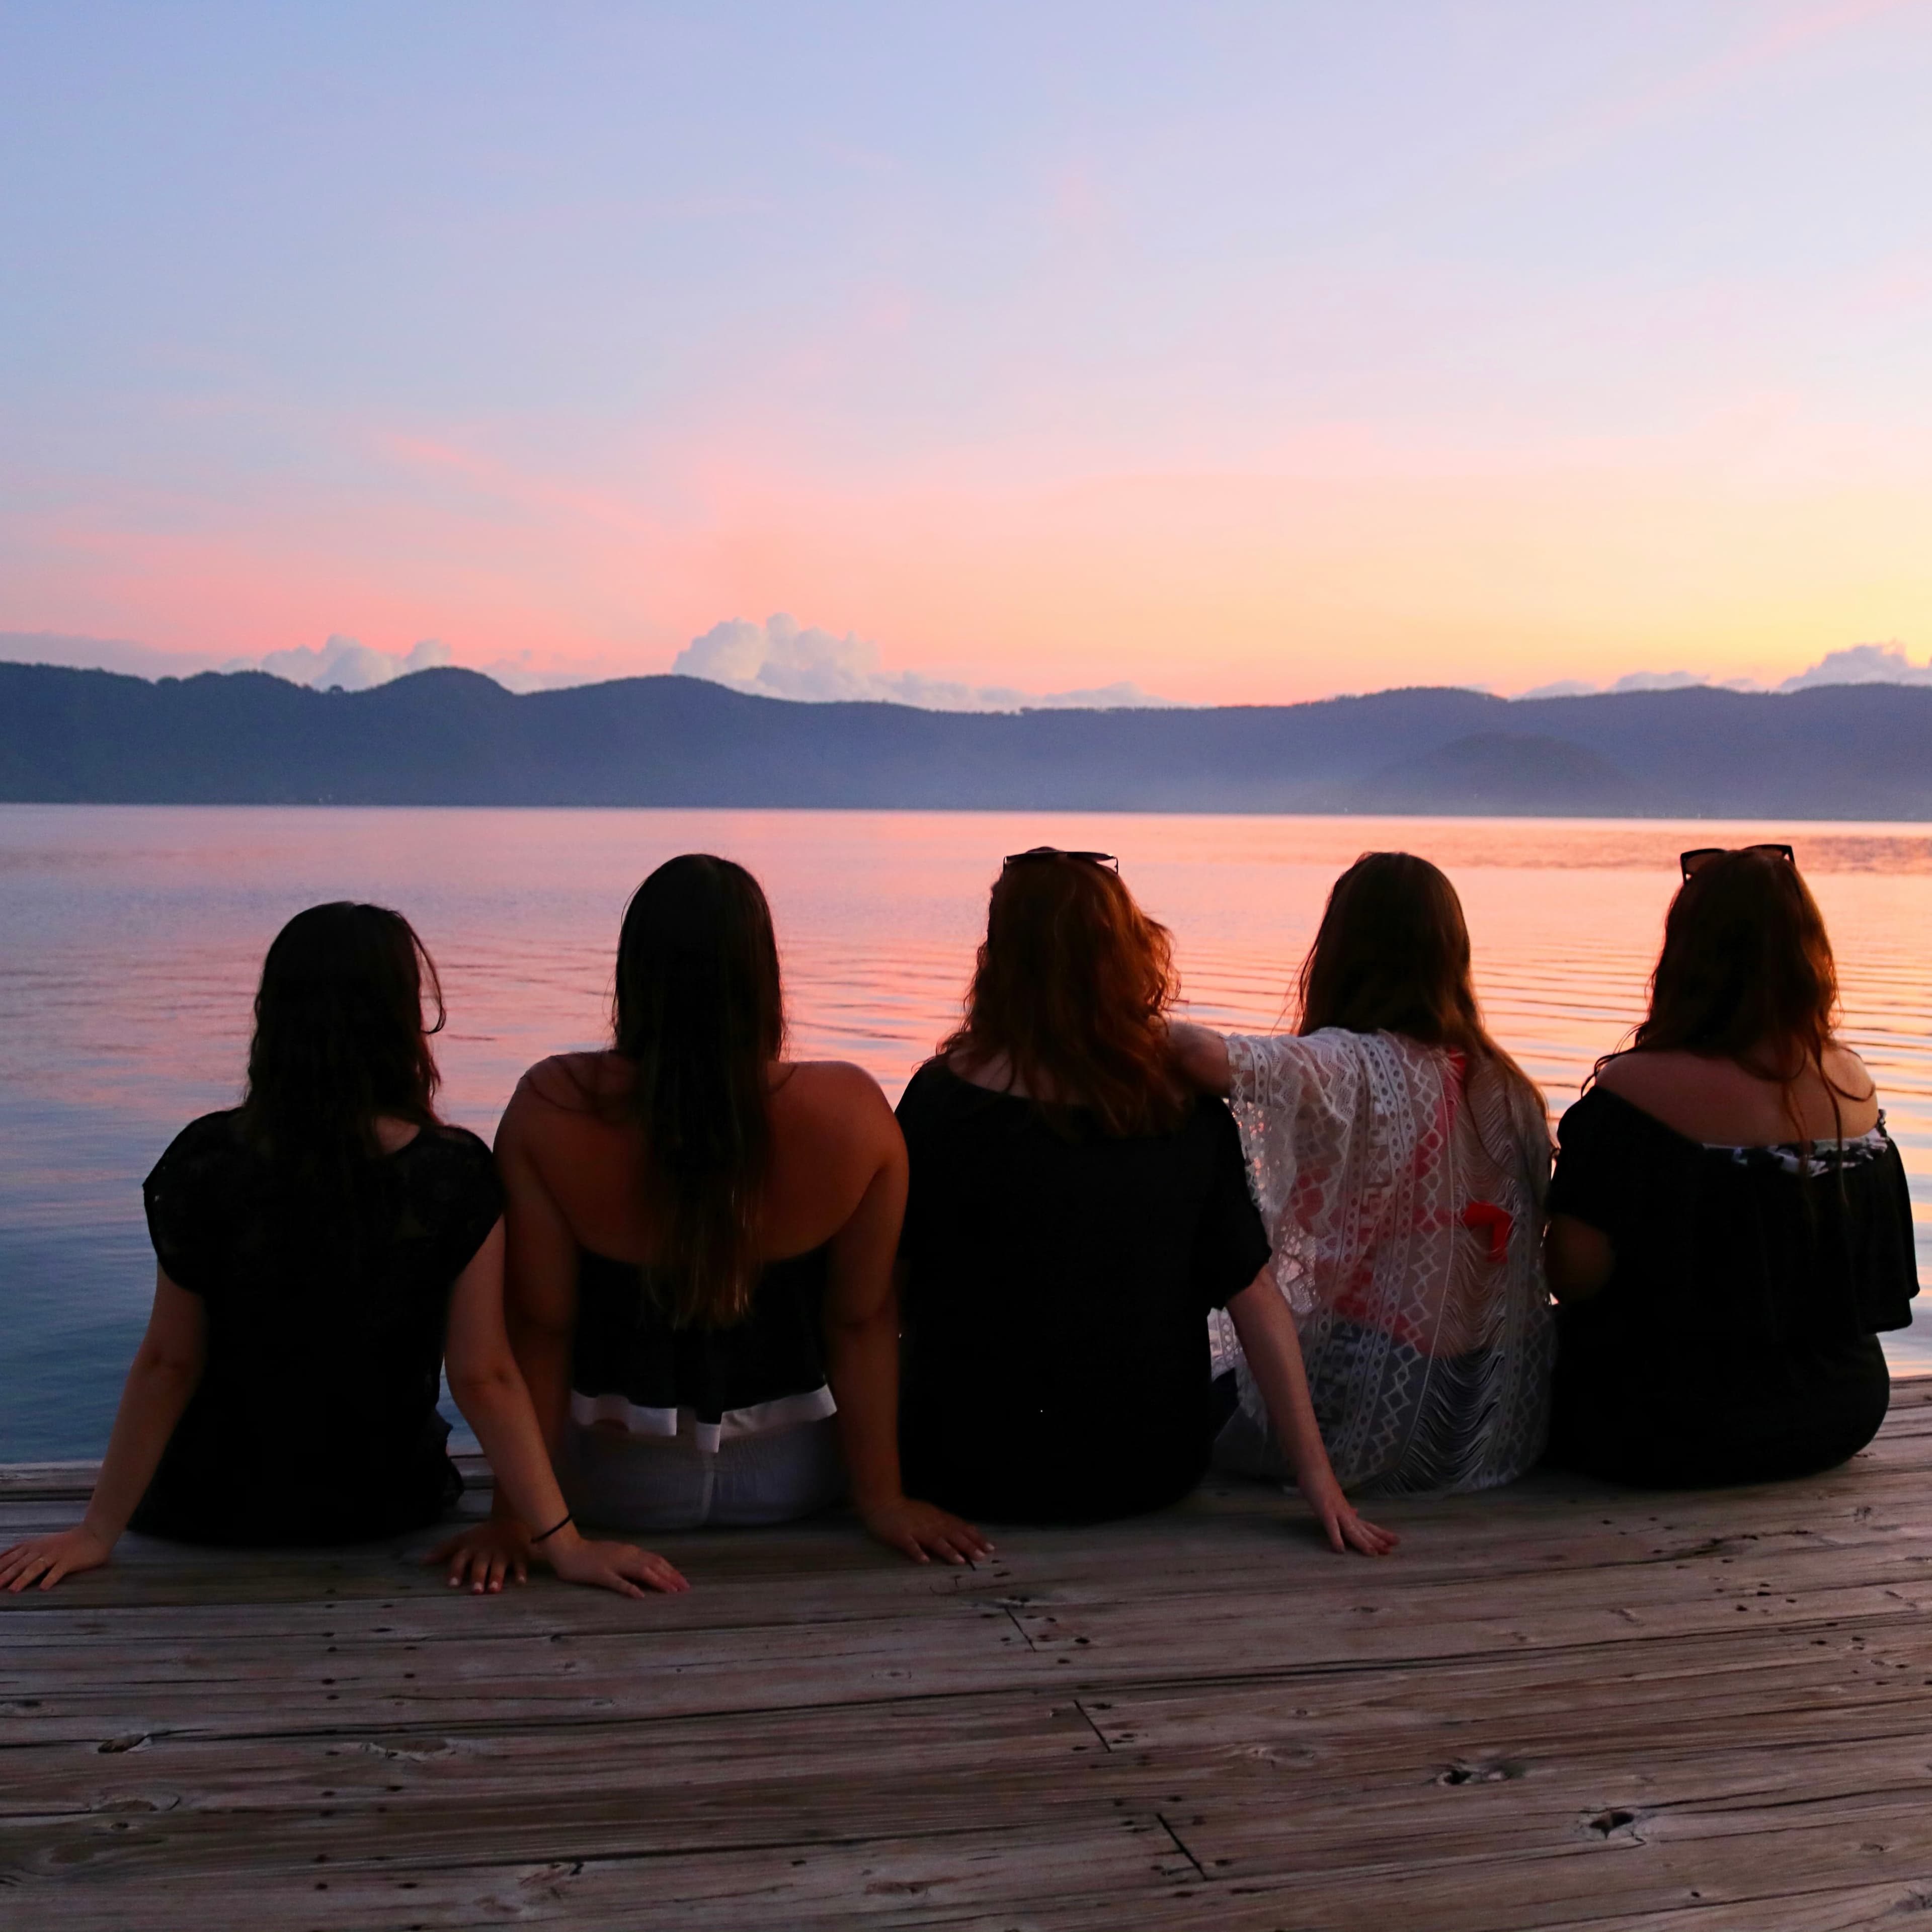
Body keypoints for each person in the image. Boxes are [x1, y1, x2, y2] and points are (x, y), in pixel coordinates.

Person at [1, 903, 681, 1598]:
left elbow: (168, 1363)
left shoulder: (204, 1162)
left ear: (273, 1018)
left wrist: (94, 1533)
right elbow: (485, 1376)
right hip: (382, 1506)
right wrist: (562, 1543)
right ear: (400, 1022)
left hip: (209, 1509)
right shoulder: (450, 1175)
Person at [436, 854, 988, 1591]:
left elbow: (541, 1330)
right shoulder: (852, 1113)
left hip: (612, 1483)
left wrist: (518, 1519)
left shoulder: (554, 1107)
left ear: (632, 973)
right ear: (764, 975)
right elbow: (860, 1325)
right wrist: (882, 1500)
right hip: (796, 1478)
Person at [895, 846, 1394, 1551]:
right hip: (1143, 1470)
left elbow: (880, 1290)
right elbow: (1252, 1294)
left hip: (963, 1469)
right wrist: (1321, 1481)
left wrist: (877, 1488)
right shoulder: (1177, 1112)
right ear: (1125, 954)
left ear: (1000, 958)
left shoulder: (939, 1100)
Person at [1172, 852, 1555, 1496]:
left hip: (1381, 1409)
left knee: (1191, 1405)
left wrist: (1098, 1015)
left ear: (1343, 950)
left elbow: (1199, 1056)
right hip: (1488, 1419)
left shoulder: (1363, 1066)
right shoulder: (1509, 1086)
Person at [1542, 843, 1918, 1487]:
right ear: (1807, 956)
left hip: (1664, 1426)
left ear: (1686, 956)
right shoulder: (1853, 1085)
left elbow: (1574, 1276)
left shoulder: (1632, 1096)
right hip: (1841, 1413)